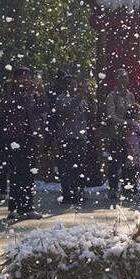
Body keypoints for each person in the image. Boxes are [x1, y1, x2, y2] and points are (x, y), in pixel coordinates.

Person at [0, 66, 45, 220]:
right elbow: (4, 110)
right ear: (15, 79)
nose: (25, 80)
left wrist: (41, 95)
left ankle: (27, 207)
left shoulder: (33, 94)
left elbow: (43, 109)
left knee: (29, 173)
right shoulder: (10, 94)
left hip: (30, 137)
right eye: (22, 77)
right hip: (14, 138)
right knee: (16, 174)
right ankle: (14, 207)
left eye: (27, 77)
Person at [51, 75, 92, 207]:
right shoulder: (61, 99)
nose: (75, 87)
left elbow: (88, 114)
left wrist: (89, 97)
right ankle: (67, 194)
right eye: (72, 84)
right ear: (66, 86)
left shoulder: (81, 99)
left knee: (79, 166)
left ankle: (78, 191)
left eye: (76, 84)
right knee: (67, 167)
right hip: (67, 137)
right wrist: (80, 96)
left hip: (80, 137)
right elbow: (68, 110)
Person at [104, 68, 135, 205]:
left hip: (127, 136)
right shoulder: (112, 95)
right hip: (115, 134)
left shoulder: (130, 95)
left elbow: (133, 111)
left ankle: (127, 187)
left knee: (127, 162)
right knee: (114, 163)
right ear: (117, 79)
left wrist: (132, 122)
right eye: (121, 78)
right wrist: (124, 122)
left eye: (126, 78)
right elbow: (110, 115)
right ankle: (112, 188)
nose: (124, 80)